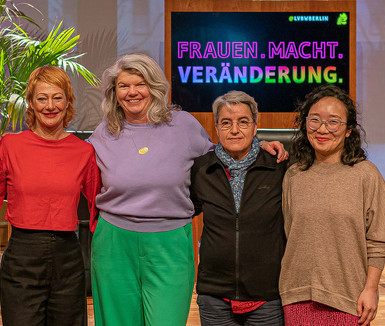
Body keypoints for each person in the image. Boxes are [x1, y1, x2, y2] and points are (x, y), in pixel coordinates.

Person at [88, 53, 287, 326]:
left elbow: (223, 155)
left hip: (170, 240)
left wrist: (259, 145)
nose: (132, 92)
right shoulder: (103, 132)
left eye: (140, 83)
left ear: (155, 87)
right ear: (114, 92)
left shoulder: (182, 124)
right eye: (123, 86)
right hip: (113, 240)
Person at [0, 66, 101, 326]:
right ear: (31, 102)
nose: (50, 106)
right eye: (42, 98)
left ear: (68, 101)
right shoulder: (9, 145)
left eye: (57, 97)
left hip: (68, 258)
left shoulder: (84, 152)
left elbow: (98, 207)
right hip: (22, 257)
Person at [280, 84, 385, 326]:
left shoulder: (366, 175)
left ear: (348, 131)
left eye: (334, 122)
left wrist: (371, 289)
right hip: (297, 295)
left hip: (348, 299)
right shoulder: (294, 175)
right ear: (305, 124)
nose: (322, 129)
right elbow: (289, 232)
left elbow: (379, 240)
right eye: (315, 120)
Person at [190, 91, 286, 325]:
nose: (234, 130)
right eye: (226, 123)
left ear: (255, 126)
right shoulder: (201, 170)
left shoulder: (280, 168)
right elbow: (181, 211)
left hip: (268, 294)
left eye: (243, 122)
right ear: (217, 128)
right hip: (214, 293)